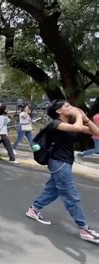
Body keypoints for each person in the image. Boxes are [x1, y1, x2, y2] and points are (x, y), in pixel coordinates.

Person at [26, 100, 99, 244]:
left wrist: (85, 118)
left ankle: (34, 209)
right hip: (59, 163)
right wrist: (79, 114)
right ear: (58, 111)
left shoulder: (71, 124)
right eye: (67, 106)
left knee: (53, 190)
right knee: (71, 196)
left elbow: (96, 132)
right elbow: (77, 128)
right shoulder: (56, 124)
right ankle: (84, 228)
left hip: (64, 162)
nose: (71, 107)